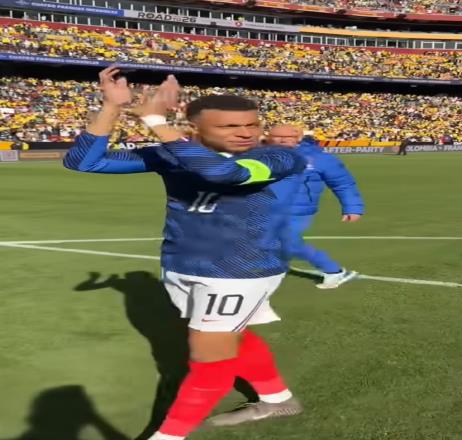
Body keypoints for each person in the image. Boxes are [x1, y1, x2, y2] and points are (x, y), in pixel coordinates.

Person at [63, 66, 306, 440]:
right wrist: (111, 108)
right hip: (184, 264)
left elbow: (225, 175)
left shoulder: (279, 158)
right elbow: (83, 161)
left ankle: (167, 437)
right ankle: (278, 399)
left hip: (239, 269)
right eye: (229, 126)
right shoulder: (172, 154)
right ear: (195, 129)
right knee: (228, 336)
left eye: (252, 124)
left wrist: (155, 121)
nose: (245, 132)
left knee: (209, 356)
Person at [267, 124, 365, 289]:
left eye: (289, 137)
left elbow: (343, 183)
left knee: (289, 242)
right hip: (265, 208)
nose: (282, 140)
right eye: (277, 136)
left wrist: (353, 208)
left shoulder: (319, 158)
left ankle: (334, 271)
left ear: (299, 137)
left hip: (298, 210)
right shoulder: (259, 155)